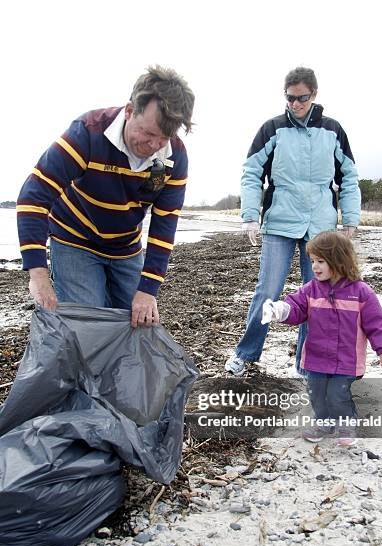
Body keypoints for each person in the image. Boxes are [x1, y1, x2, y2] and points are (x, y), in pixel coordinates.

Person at [17, 65, 195, 328]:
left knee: (137, 324)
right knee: (88, 326)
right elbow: (33, 198)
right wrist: (38, 274)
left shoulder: (173, 156)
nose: (153, 146)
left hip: (126, 247)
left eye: (163, 138)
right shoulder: (87, 134)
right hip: (74, 240)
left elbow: (164, 223)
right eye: (147, 133)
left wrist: (149, 288)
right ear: (130, 111)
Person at [225, 66, 361, 376]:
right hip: (280, 222)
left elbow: (349, 177)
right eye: (290, 98)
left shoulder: (333, 130)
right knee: (267, 290)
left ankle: (305, 362)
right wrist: (249, 215)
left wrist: (350, 218)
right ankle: (245, 354)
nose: (295, 104)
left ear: (314, 95)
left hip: (321, 227)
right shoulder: (272, 128)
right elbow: (251, 172)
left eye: (301, 98)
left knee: (316, 293)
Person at [262, 231, 382, 446]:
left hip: (347, 359)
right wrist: (280, 311)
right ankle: (323, 422)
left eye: (321, 261)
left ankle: (346, 423)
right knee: (316, 393)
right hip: (316, 357)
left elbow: (376, 323)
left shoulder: (361, 292)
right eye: (312, 261)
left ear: (339, 260)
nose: (314, 266)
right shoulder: (310, 290)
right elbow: (295, 308)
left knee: (337, 394)